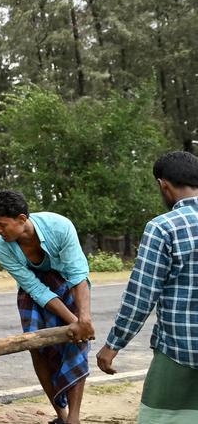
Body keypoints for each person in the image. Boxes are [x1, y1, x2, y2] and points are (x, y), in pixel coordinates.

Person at [97, 151, 198, 422]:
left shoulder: (163, 228)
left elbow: (141, 295)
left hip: (180, 350)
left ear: (163, 185)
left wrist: (112, 345)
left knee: (163, 418)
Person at [0, 190, 93, 424]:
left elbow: (77, 275)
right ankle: (61, 416)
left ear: (22, 219)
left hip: (66, 282)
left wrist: (83, 320)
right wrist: (71, 320)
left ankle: (74, 419)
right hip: (34, 292)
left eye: (2, 224)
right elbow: (35, 289)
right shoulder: (2, 248)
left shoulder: (59, 227)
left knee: (77, 341)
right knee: (37, 346)